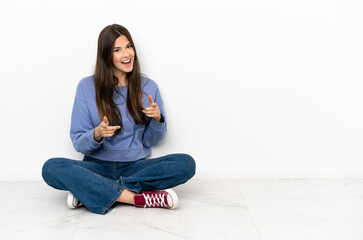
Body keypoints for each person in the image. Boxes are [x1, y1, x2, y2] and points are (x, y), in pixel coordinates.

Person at [42, 24, 196, 215]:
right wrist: (97, 134)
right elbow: (78, 142)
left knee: (185, 163)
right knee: (51, 167)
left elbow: (151, 141)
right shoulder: (86, 86)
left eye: (128, 46)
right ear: (106, 55)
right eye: (117, 50)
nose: (126, 54)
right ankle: (135, 198)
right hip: (96, 166)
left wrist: (157, 120)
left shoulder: (148, 87)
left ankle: (92, 192)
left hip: (134, 167)